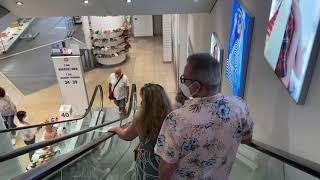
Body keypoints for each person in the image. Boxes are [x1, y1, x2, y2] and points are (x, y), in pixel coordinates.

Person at [155, 53, 253, 180]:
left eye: (184, 80)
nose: (182, 83)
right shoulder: (240, 107)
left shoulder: (177, 120)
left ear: (196, 87)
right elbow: (247, 139)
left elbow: (167, 168)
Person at [109, 83, 172, 180]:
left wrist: (116, 129)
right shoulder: (172, 116)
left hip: (150, 162)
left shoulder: (142, 119)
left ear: (148, 103)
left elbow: (127, 136)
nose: (141, 103)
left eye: (143, 100)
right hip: (167, 160)